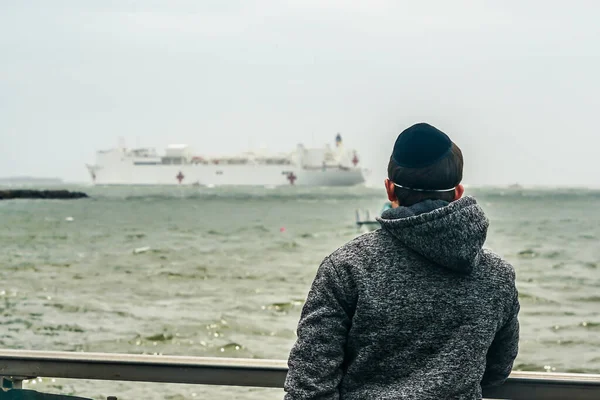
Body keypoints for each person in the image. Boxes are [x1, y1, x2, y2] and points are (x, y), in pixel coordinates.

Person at [284, 123, 519, 400]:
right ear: (458, 192)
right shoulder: (498, 276)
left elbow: (309, 383)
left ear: (389, 190)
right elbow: (496, 372)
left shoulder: (346, 267)